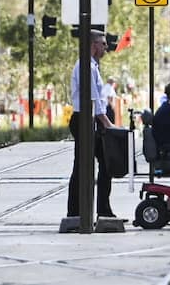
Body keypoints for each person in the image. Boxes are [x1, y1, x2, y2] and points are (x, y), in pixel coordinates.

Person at [67, 30, 115, 219]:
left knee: (106, 163)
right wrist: (108, 124)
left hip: (92, 120)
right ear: (94, 45)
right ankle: (75, 212)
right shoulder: (85, 66)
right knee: (82, 166)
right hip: (84, 120)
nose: (106, 47)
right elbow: (93, 98)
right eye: (103, 44)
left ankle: (103, 209)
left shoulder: (93, 66)